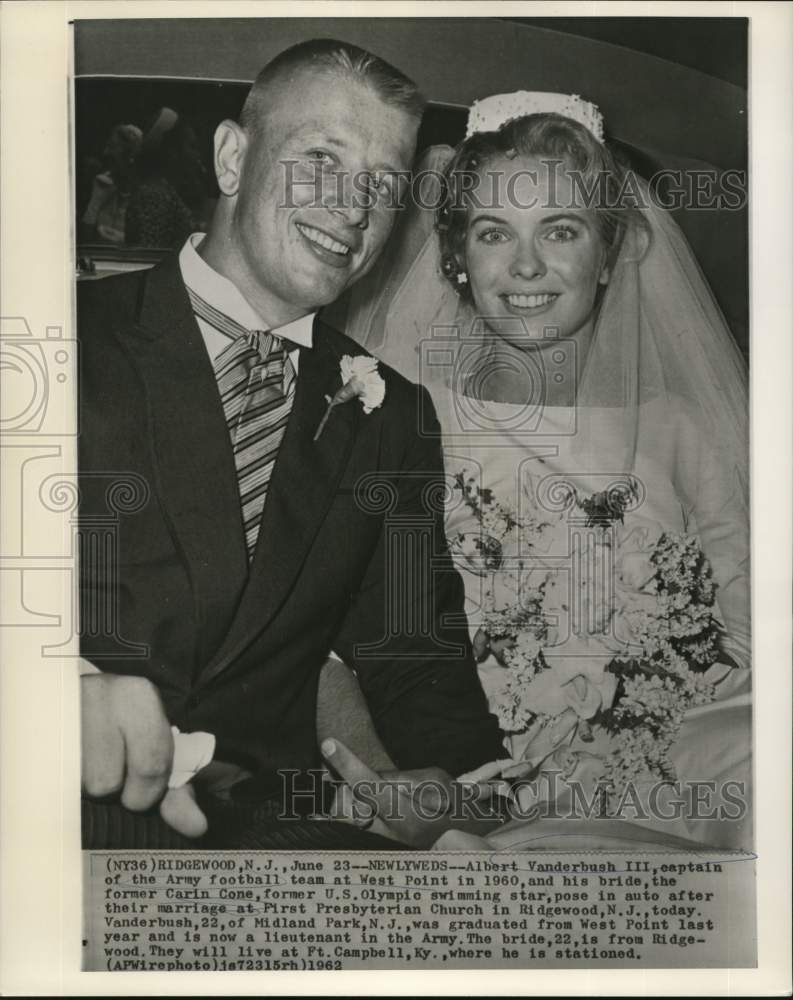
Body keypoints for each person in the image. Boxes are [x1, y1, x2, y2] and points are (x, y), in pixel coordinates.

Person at [78, 40, 504, 849]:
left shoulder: (392, 413)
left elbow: (411, 650)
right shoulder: (53, 339)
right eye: (321, 160)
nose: (353, 209)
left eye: (383, 184)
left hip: (274, 843)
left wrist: (463, 794)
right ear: (233, 157)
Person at [346, 93, 751, 849]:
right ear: (456, 259)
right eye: (494, 233)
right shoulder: (403, 417)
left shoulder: (680, 424)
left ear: (605, 253)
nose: (525, 266)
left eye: (559, 231)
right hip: (475, 780)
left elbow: (753, 624)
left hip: (680, 763)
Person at [80, 123, 142, 244]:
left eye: (112, 147)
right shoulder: (99, 184)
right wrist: (96, 201)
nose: (106, 152)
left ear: (130, 155)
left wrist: (124, 239)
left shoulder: (141, 192)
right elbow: (84, 240)